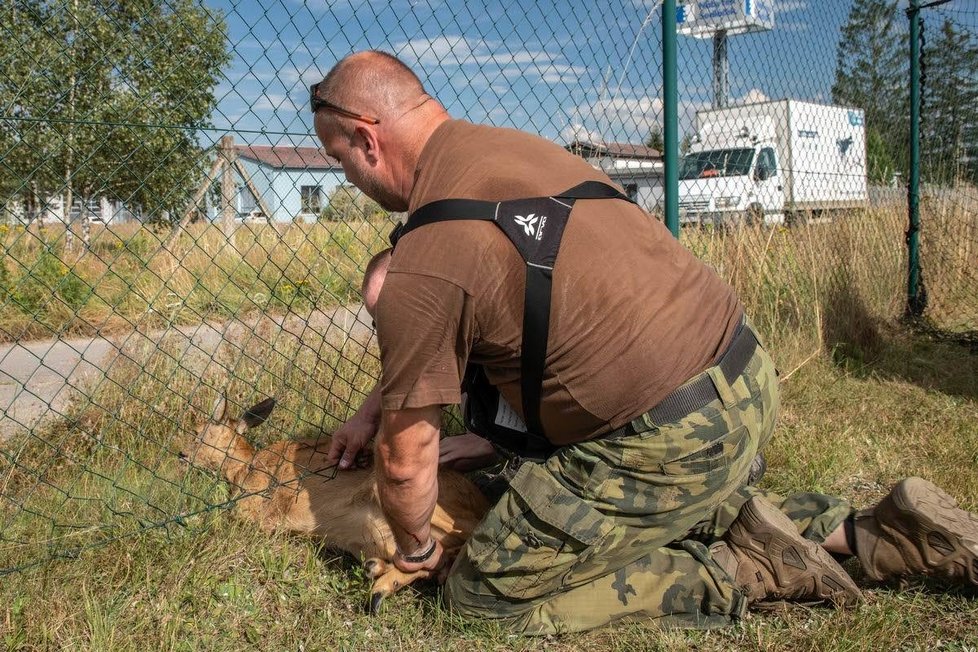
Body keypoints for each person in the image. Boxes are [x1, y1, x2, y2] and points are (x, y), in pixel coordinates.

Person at [312, 50, 978, 634]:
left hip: (663, 437)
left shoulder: (431, 246)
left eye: (341, 161)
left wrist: (421, 548)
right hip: (742, 379)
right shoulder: (512, 151)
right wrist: (373, 410)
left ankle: (737, 567)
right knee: (656, 507)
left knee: (481, 596)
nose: (351, 180)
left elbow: (404, 466)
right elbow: (451, 325)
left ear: (367, 140)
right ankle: (887, 535)